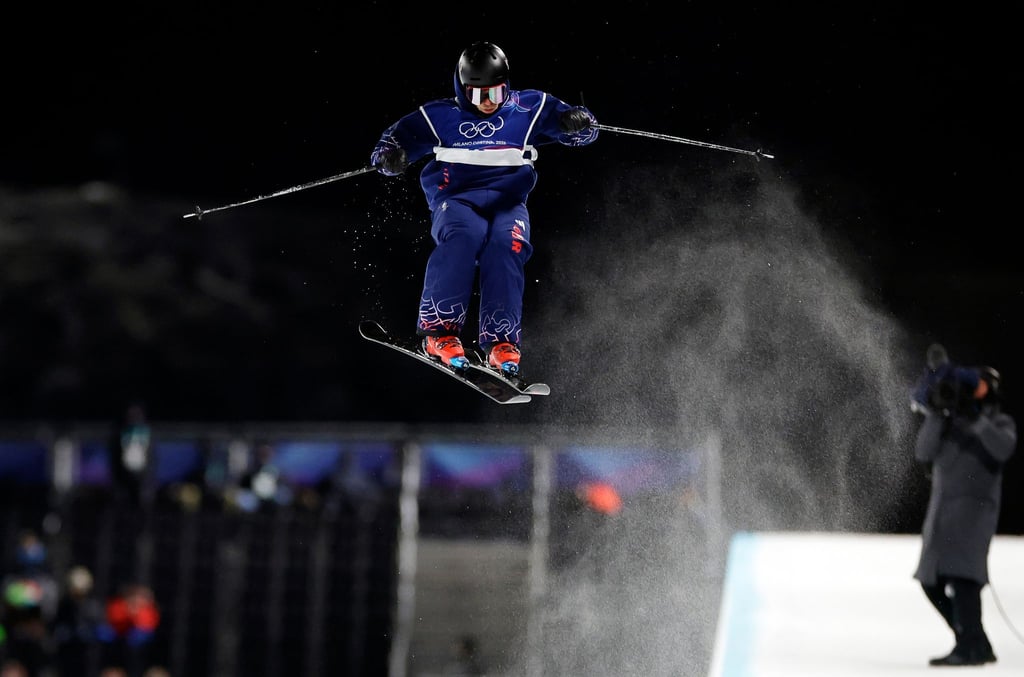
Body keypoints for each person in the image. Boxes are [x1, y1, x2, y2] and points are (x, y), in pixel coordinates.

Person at [370, 41, 598, 376]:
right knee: (464, 237)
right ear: (462, 90)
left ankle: (501, 341)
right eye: (479, 96)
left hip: (508, 203)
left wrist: (577, 123)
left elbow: (580, 132)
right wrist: (389, 158)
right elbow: (392, 142)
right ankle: (440, 332)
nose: (489, 103)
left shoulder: (529, 108)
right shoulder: (439, 117)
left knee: (507, 247)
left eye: (496, 93)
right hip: (457, 200)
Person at [910, 346, 1017, 666]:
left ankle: (969, 646)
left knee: (964, 580)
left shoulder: (1001, 423)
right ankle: (974, 641)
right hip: (941, 515)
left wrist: (976, 419)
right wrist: (938, 414)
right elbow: (923, 452)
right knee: (931, 581)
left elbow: (1002, 449)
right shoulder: (948, 423)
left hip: (973, 516)